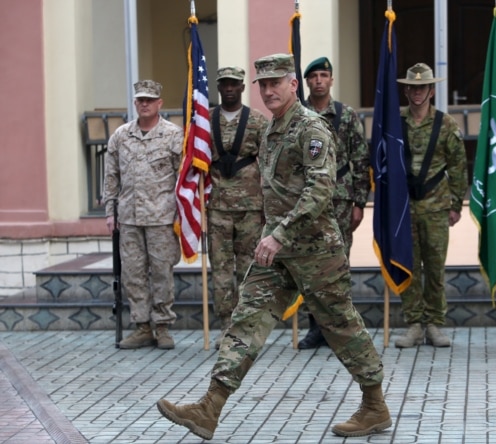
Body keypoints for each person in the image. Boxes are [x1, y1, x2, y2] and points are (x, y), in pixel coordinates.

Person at [156, 54, 391, 440]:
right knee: (247, 318)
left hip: (316, 250)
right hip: (276, 252)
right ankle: (209, 407)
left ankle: (374, 404)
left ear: (293, 85)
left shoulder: (310, 129)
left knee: (340, 326)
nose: (268, 91)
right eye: (262, 85)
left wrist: (279, 233)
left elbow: (321, 189)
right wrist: (275, 235)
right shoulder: (270, 131)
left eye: (275, 83)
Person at [297, 56, 371, 349]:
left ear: (331, 80)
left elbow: (360, 159)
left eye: (323, 75)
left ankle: (338, 327)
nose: (318, 80)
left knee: (338, 266)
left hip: (339, 200)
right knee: (310, 266)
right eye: (313, 76)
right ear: (306, 82)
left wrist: (359, 203)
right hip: (305, 201)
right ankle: (316, 327)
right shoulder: (297, 115)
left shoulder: (346, 115)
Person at [393, 63, 468, 348]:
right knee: (408, 266)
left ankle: (435, 324)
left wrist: (456, 205)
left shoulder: (446, 123)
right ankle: (414, 324)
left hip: (436, 206)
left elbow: (458, 165)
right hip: (404, 208)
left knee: (435, 268)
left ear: (431, 90)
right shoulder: (395, 121)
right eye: (412, 87)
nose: (416, 93)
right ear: (406, 90)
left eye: (422, 87)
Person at [103, 80, 182, 350]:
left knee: (162, 272)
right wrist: (110, 211)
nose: (144, 103)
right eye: (140, 100)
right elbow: (111, 177)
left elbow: (182, 178)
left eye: (150, 99)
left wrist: (182, 214)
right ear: (135, 103)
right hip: (129, 218)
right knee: (133, 274)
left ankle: (162, 327)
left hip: (161, 216)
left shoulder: (173, 135)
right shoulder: (121, 136)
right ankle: (142, 327)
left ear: (159, 103)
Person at [208, 66, 268, 349]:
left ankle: (245, 327)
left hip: (250, 207)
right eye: (224, 84)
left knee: (248, 269)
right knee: (220, 270)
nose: (229, 88)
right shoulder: (205, 122)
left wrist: (271, 203)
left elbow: (268, 163)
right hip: (218, 206)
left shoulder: (257, 121)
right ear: (219, 88)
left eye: (234, 84)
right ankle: (224, 326)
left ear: (242, 87)